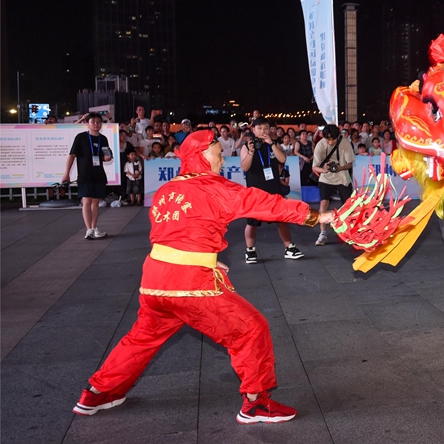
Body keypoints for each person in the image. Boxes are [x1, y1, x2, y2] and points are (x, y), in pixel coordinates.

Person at [72, 130, 334, 423]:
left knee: (141, 339)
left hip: (155, 281)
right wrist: (314, 216)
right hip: (190, 284)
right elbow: (260, 202)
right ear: (200, 156)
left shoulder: (165, 190)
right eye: (218, 154)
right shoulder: (213, 187)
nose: (223, 161)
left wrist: (208, 259)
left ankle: (96, 393)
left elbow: (174, 235)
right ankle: (256, 403)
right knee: (250, 329)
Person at [240, 118, 304, 262]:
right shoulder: (247, 146)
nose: (263, 131)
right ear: (253, 129)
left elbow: (282, 159)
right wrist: (251, 152)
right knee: (252, 221)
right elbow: (245, 167)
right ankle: (250, 250)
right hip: (255, 190)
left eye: (266, 128)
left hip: (273, 189)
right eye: (260, 128)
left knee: (281, 219)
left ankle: (289, 247)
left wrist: (272, 144)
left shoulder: (273, 145)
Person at [63, 113, 112, 239]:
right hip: (85, 174)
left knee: (95, 202)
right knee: (86, 201)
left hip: (98, 174)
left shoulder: (103, 139)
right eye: (93, 121)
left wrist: (107, 158)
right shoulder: (81, 137)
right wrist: (66, 173)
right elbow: (72, 156)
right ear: (87, 123)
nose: (96, 124)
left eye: (98, 122)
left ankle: (94, 227)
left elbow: (106, 155)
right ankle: (88, 229)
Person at [312, 124, 355, 246]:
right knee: (323, 204)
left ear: (338, 136)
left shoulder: (345, 143)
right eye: (328, 139)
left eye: (333, 139)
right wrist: (323, 169)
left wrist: (341, 167)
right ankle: (322, 233)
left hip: (342, 178)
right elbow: (314, 166)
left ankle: (351, 231)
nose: (330, 142)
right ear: (323, 136)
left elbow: (350, 164)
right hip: (326, 178)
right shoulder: (320, 145)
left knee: (349, 205)